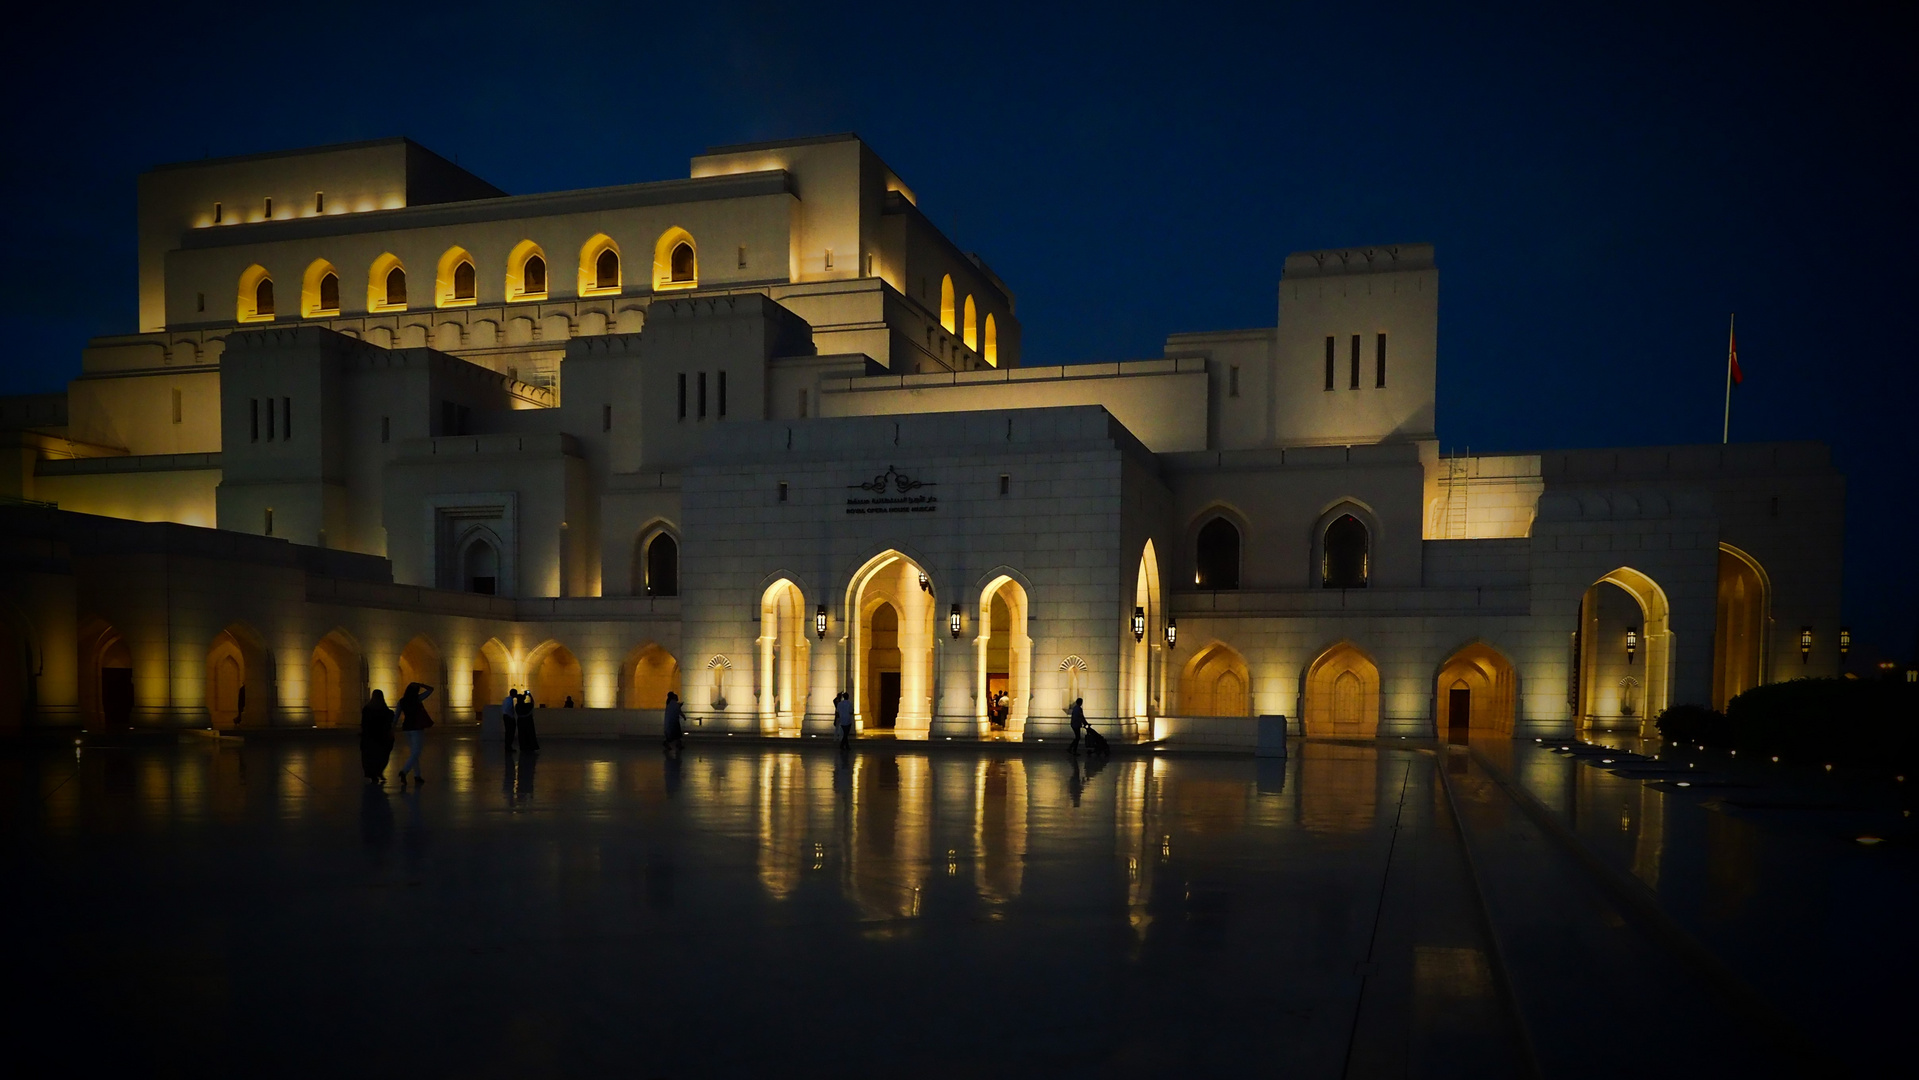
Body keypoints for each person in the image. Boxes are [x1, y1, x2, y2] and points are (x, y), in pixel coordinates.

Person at [394, 681, 435, 786]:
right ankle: (404, 771)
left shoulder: (402, 701)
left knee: (414, 752)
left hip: (407, 728)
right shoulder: (417, 699)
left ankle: (417, 775)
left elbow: (396, 716)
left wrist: (392, 727)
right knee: (416, 752)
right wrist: (422, 685)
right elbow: (431, 690)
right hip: (416, 727)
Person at [359, 689, 395, 784]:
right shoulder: (384, 710)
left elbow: (364, 724)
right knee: (382, 756)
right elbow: (389, 721)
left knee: (369, 757)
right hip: (382, 738)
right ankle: (379, 771)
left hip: (370, 738)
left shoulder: (367, 709)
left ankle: (372, 774)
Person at [516, 688, 539, 754]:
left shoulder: (517, 706)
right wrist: (529, 695)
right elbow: (532, 703)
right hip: (528, 721)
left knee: (522, 734)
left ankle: (523, 746)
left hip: (520, 721)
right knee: (530, 733)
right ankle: (531, 746)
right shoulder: (527, 705)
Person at [501, 688, 519, 753]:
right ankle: (509, 746)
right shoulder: (510, 700)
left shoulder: (506, 699)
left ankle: (508, 746)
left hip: (506, 717)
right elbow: (509, 710)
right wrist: (511, 717)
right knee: (510, 733)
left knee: (508, 732)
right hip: (509, 718)